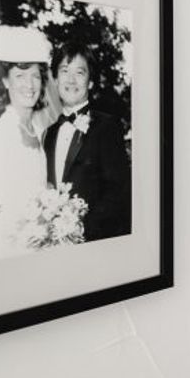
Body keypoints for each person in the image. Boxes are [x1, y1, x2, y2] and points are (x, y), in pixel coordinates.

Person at [42, 42, 131, 243]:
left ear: (90, 82)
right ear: (55, 79)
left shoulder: (107, 126)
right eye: (64, 71)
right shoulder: (48, 134)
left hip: (94, 242)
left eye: (80, 73)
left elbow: (118, 193)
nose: (71, 80)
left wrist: (78, 228)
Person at [0, 26, 51, 258]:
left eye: (35, 76)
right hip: (8, 248)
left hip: (41, 246)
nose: (29, 85)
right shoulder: (0, 133)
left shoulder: (40, 129)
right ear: (6, 81)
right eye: (20, 75)